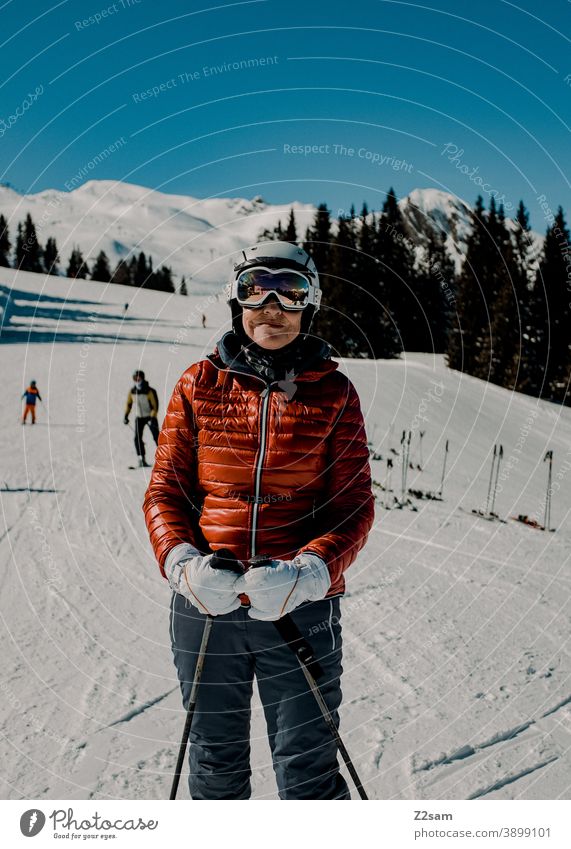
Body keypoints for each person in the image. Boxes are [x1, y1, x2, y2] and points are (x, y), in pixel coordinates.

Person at [143, 242, 374, 799]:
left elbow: (353, 505)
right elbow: (164, 494)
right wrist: (182, 564)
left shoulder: (335, 393)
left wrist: (311, 571)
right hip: (207, 604)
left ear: (309, 306)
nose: (271, 307)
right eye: (255, 289)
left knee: (309, 770)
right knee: (215, 765)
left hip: (300, 606)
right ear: (236, 301)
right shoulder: (198, 385)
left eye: (289, 293)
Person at [124, 370, 159, 467]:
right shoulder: (132, 391)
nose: (136, 380)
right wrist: (126, 416)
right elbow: (129, 404)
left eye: (138, 378)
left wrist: (152, 417)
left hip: (150, 417)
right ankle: (141, 459)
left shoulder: (149, 391)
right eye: (135, 378)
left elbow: (155, 406)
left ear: (143, 378)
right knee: (137, 439)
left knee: (157, 437)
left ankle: (165, 458)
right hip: (139, 417)